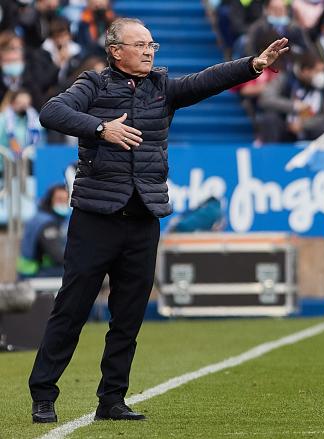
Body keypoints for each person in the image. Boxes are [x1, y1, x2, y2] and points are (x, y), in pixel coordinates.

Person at [28, 17, 288, 424]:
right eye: (140, 44)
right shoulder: (92, 84)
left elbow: (206, 80)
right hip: (96, 217)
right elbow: (51, 111)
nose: (150, 51)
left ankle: (111, 400)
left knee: (128, 317)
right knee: (71, 310)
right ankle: (43, 394)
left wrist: (252, 65)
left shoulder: (161, 87)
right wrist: (100, 128)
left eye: (153, 44)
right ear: (116, 51)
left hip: (144, 217)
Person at [257, 53, 324, 142]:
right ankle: (271, 153)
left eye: (323, 71)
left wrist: (303, 124)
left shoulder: (323, 86)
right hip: (284, 123)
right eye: (317, 71)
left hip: (308, 126)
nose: (321, 75)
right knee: (270, 119)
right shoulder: (285, 78)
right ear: (305, 71)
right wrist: (294, 106)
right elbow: (265, 99)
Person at [16, 184, 69, 279]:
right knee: (79, 273)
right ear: (50, 201)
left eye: (66, 200)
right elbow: (57, 256)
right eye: (59, 200)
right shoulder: (46, 223)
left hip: (33, 271)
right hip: (33, 273)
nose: (63, 204)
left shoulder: (42, 217)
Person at [0, 32, 59, 110]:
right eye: (12, 48)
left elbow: (41, 108)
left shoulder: (30, 80)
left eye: (20, 48)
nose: (18, 52)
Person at [0, 89, 44, 153]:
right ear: (13, 103)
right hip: (5, 161)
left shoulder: (36, 123)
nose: (23, 106)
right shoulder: (3, 120)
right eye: (20, 103)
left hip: (29, 160)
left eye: (27, 103)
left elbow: (41, 144)